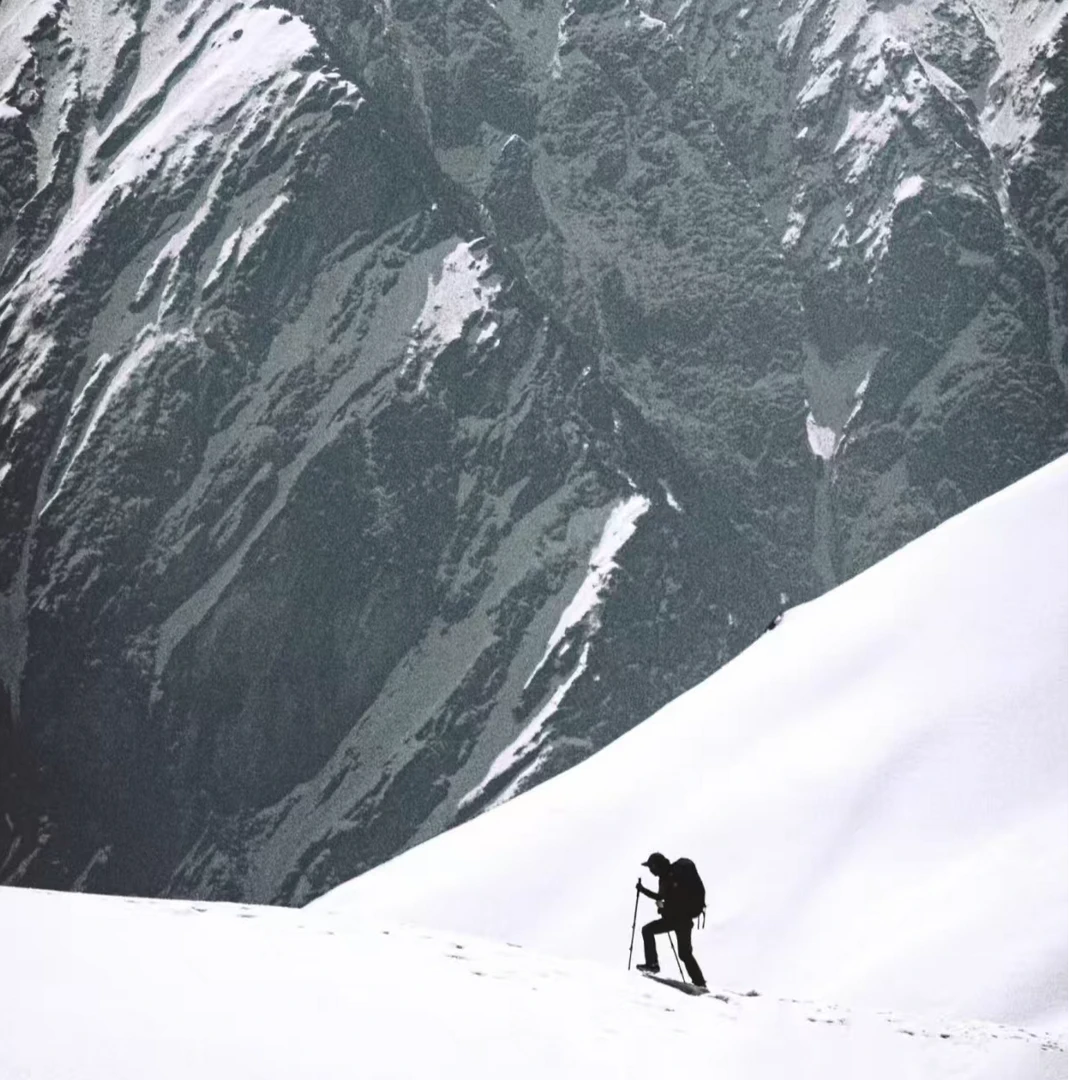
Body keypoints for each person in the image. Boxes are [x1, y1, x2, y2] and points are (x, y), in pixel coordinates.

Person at [635, 852, 707, 988]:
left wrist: (643, 891)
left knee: (647, 930)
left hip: (676, 920)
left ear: (656, 866)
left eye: (651, 867)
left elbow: (664, 898)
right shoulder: (669, 876)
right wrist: (664, 908)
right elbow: (669, 899)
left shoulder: (669, 877)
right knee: (685, 954)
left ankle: (652, 964)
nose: (650, 871)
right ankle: (700, 983)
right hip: (683, 920)